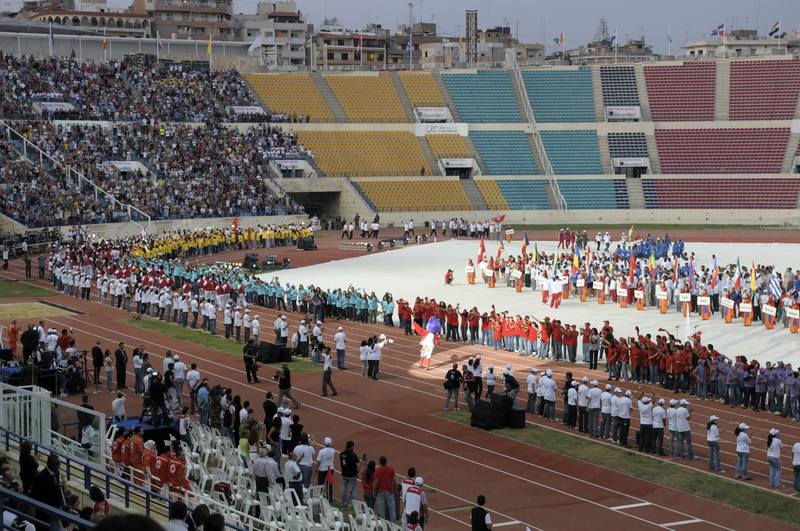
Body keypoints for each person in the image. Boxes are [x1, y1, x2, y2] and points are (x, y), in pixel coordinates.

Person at [373, 455, 396, 522]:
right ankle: (393, 523)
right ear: (386, 462)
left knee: (381, 508)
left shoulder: (378, 470)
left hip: (381, 491)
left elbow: (376, 481)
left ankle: (382, 522)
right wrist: (396, 488)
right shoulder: (391, 469)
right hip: (389, 491)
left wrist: (374, 490)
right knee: (392, 508)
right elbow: (394, 480)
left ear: (380, 462)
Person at [339, 440, 361, 510]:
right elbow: (357, 460)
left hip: (344, 473)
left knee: (344, 488)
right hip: (352, 474)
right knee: (353, 490)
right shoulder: (352, 455)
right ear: (352, 447)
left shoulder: (342, 454)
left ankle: (343, 502)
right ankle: (353, 505)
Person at [315, 436, 336, 502]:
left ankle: (319, 497)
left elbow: (318, 461)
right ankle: (329, 498)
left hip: (322, 469)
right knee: (329, 484)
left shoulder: (321, 451)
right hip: (330, 469)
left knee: (320, 484)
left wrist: (316, 470)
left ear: (324, 443)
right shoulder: (333, 450)